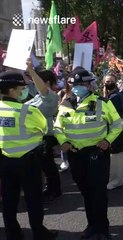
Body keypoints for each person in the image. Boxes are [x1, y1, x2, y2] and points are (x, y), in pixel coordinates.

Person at [54, 68, 123, 240]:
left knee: (98, 192)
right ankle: (91, 225)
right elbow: (57, 127)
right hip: (76, 155)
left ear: (89, 84)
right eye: (75, 84)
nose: (79, 86)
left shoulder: (102, 102)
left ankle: (102, 228)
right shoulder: (65, 104)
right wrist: (63, 141)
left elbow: (117, 124)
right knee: (85, 192)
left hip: (97, 154)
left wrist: (107, 141)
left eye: (82, 83)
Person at [0, 71, 57, 240]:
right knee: (33, 199)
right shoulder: (28, 111)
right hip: (28, 161)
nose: (24, 90)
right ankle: (39, 232)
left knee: (9, 199)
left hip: (5, 161)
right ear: (11, 90)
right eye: (21, 87)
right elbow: (44, 129)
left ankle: (12, 232)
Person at [26, 62, 61, 202]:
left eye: (37, 80)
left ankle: (55, 190)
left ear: (45, 82)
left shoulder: (50, 96)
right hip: (33, 138)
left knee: (48, 166)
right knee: (42, 166)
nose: (34, 83)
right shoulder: (36, 97)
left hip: (45, 136)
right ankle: (48, 187)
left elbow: (43, 90)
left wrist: (31, 70)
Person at [103, 73, 123, 190]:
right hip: (113, 130)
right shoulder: (111, 96)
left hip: (116, 130)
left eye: (110, 81)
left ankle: (116, 180)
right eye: (106, 81)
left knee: (116, 157)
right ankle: (115, 179)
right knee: (114, 156)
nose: (108, 83)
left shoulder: (115, 97)